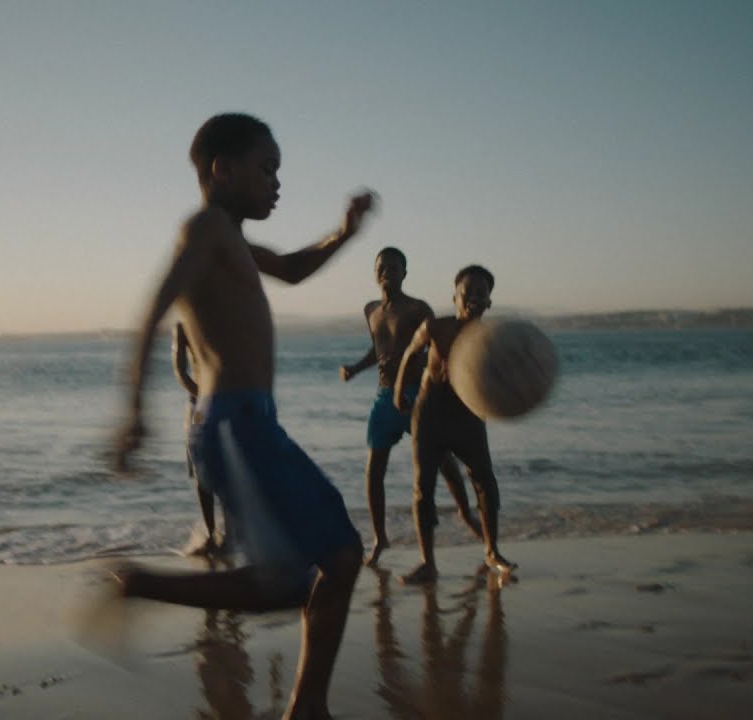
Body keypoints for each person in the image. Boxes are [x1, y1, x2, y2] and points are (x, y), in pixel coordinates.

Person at [113, 113, 369, 720]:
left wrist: (344, 232)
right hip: (232, 422)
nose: (277, 183)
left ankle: (309, 708)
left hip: (251, 421)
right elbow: (153, 311)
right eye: (267, 168)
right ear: (223, 169)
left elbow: (293, 269)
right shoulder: (204, 228)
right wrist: (135, 410)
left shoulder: (232, 239)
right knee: (293, 578)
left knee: (339, 557)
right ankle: (139, 584)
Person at [339, 247, 481, 566]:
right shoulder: (371, 310)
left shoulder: (418, 308)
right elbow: (378, 349)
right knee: (373, 470)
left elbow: (438, 344)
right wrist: (355, 369)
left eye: (393, 267)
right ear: (374, 273)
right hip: (384, 397)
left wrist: (435, 374)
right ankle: (380, 538)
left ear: (404, 273)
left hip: (418, 394)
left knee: (442, 460)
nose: (386, 272)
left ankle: (465, 513)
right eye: (381, 267)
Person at [393, 265, 516, 584]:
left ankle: (492, 551)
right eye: (467, 292)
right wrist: (399, 391)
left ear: (489, 302)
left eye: (481, 293)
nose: (473, 298)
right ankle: (428, 563)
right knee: (423, 488)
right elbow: (410, 354)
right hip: (430, 412)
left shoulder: (489, 339)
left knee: (485, 481)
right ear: (454, 297)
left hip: (468, 414)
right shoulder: (436, 327)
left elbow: (502, 377)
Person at [173, 321, 226, 557]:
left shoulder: (225, 318)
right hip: (199, 405)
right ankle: (211, 533)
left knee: (227, 470)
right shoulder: (184, 324)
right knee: (201, 472)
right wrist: (204, 395)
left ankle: (230, 534)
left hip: (227, 401)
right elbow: (180, 372)